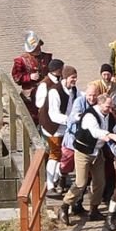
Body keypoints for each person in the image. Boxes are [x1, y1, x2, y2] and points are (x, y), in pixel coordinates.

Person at [58, 94, 116, 225]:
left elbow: (115, 126)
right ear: (99, 104)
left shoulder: (108, 115)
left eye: (111, 107)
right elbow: (95, 132)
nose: (110, 109)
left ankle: (94, 210)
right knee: (80, 183)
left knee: (100, 182)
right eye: (107, 107)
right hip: (83, 152)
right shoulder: (90, 116)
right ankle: (65, 206)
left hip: (97, 152)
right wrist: (111, 135)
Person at [39, 65, 78, 194]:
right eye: (72, 77)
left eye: (76, 77)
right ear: (65, 77)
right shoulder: (55, 91)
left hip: (66, 127)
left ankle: (57, 179)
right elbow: (53, 115)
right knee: (55, 154)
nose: (75, 80)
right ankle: (50, 184)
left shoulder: (73, 90)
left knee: (64, 154)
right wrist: (70, 119)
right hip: (52, 127)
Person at [12, 31, 54, 119]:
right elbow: (16, 77)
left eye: (38, 47)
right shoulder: (21, 60)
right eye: (35, 48)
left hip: (46, 91)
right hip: (30, 94)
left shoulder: (47, 57)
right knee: (31, 117)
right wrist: (29, 77)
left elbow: (53, 72)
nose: (37, 50)